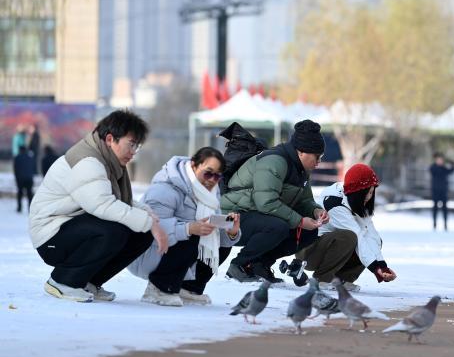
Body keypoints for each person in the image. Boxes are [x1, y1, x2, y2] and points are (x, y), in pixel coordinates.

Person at [29, 110, 167, 302]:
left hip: (72, 227)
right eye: (131, 144)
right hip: (51, 237)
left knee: (140, 233)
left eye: (137, 146)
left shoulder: (107, 161)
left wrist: (147, 216)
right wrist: (147, 221)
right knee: (114, 230)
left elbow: (114, 199)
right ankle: (63, 281)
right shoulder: (88, 161)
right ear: (110, 139)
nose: (133, 151)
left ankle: (89, 282)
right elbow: (103, 204)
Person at [128, 147, 241, 306]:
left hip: (178, 249)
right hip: (147, 251)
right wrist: (188, 228)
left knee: (220, 244)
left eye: (217, 176)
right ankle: (158, 288)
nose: (211, 180)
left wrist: (231, 232)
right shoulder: (166, 188)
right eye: (208, 173)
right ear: (194, 165)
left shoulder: (210, 192)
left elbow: (214, 232)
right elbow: (151, 228)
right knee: (193, 236)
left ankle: (188, 288)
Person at [221, 119, 328, 283]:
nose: (319, 162)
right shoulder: (274, 162)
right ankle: (239, 265)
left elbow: (304, 200)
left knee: (309, 231)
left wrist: (315, 211)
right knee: (279, 226)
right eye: (317, 156)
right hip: (229, 218)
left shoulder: (301, 169)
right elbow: (266, 203)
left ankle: (259, 265)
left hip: (254, 216)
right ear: (301, 152)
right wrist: (300, 221)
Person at [296, 163, 397, 291]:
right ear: (357, 192)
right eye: (365, 193)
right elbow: (359, 237)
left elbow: (370, 234)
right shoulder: (335, 203)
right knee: (349, 237)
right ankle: (322, 279)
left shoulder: (357, 201)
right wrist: (375, 269)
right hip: (309, 252)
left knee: (374, 241)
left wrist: (382, 267)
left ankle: (340, 280)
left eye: (371, 192)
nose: (368, 197)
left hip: (329, 246)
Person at [429, 152, 454, 231]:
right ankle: (434, 224)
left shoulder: (444, 168)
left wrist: (452, 163)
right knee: (435, 208)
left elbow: (451, 170)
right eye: (438, 160)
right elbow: (432, 171)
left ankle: (445, 224)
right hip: (435, 191)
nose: (440, 161)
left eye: (441, 160)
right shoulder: (433, 168)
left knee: (445, 209)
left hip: (443, 191)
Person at [13, 146, 35, 213]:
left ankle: (19, 207)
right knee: (29, 194)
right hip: (29, 178)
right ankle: (30, 208)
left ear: (20, 150)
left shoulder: (17, 158)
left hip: (21, 179)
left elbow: (15, 169)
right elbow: (33, 168)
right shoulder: (30, 158)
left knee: (20, 193)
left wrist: (16, 179)